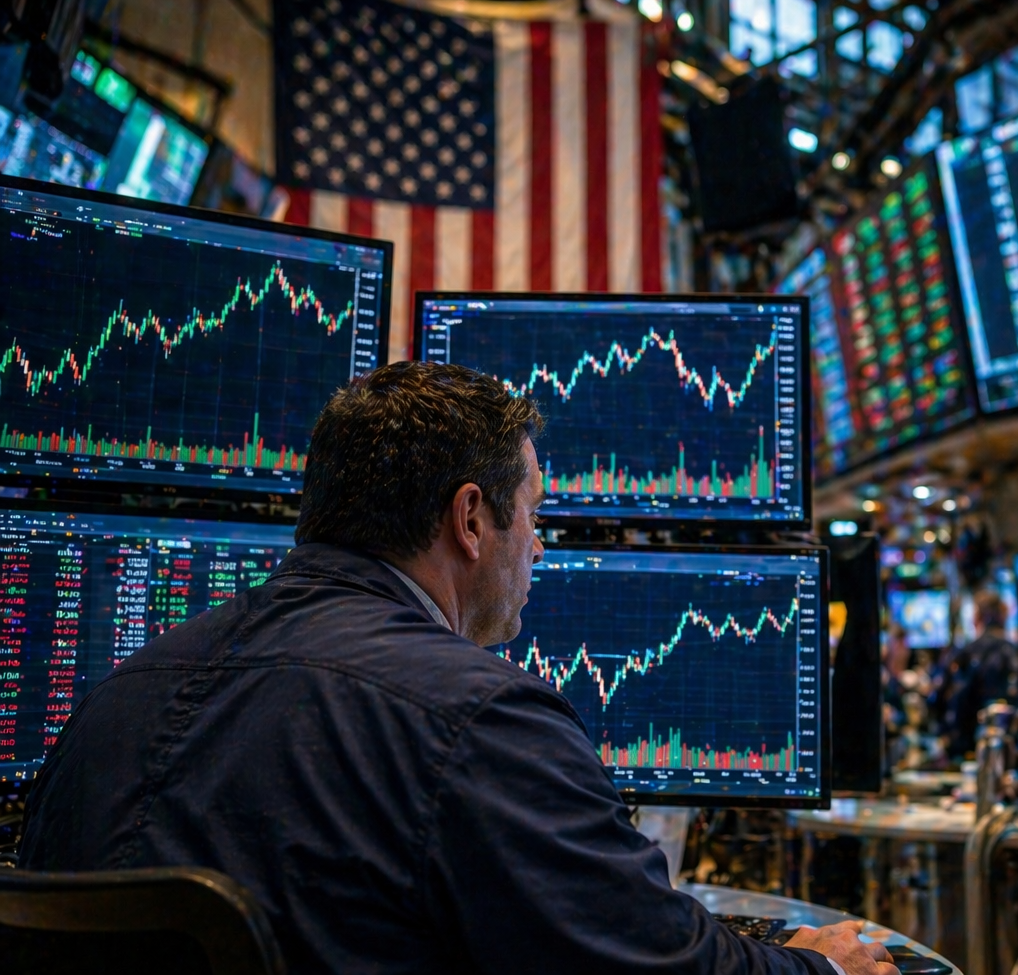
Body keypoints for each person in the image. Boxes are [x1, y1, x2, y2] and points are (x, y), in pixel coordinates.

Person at [20, 363, 897, 975]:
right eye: (535, 518)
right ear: (471, 520)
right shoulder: (480, 717)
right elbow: (661, 964)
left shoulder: (113, 697)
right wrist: (817, 968)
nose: (541, 550)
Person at [939, 589, 1018, 757]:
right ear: (1004, 618)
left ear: (976, 619)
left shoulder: (964, 655)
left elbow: (942, 701)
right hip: (1011, 750)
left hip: (966, 749)